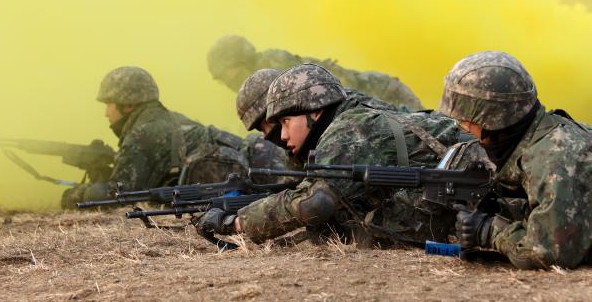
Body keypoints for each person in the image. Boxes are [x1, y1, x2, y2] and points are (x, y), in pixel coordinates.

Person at [196, 64, 465, 245]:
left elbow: (314, 203)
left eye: (286, 122)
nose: (282, 135)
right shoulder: (343, 120)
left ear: (315, 111)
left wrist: (236, 223)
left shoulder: (348, 128)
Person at [438, 51, 592, 269]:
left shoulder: (552, 156)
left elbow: (547, 252)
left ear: (492, 118)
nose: (463, 126)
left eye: (466, 120)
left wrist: (489, 230)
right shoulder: (543, 135)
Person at [60, 67, 185, 209]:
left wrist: (74, 195)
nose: (106, 113)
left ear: (128, 105)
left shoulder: (141, 135)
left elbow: (117, 198)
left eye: (108, 104)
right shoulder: (171, 120)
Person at [207, 35, 423, 110]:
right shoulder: (266, 85)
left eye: (227, 74)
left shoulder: (275, 71)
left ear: (241, 63)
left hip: (387, 97)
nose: (228, 83)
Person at [235, 69, 295, 181]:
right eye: (260, 128)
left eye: (269, 119)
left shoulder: (332, 130)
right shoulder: (294, 154)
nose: (268, 132)